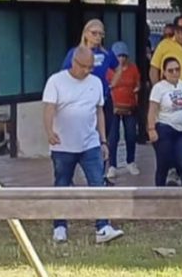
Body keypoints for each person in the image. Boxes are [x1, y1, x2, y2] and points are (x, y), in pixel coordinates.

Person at [43, 48, 124, 244]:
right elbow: (48, 109)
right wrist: (49, 132)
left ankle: (102, 226)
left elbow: (99, 112)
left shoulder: (95, 82)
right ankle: (60, 226)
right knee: (62, 185)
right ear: (74, 62)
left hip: (90, 143)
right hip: (63, 145)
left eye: (90, 67)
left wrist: (103, 140)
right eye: (83, 67)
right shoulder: (56, 81)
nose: (87, 71)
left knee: (98, 183)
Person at [147, 57, 182, 187]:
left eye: (177, 69)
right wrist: (151, 129)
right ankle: (160, 191)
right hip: (164, 129)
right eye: (170, 70)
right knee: (163, 164)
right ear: (164, 72)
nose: (174, 73)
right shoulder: (159, 88)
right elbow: (152, 110)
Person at [62, 19, 119, 139]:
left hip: (103, 98)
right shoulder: (75, 53)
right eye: (94, 33)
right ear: (86, 33)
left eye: (101, 34)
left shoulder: (106, 53)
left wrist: (112, 84)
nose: (98, 37)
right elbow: (65, 74)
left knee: (104, 133)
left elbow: (118, 68)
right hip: (82, 99)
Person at [105, 41, 141, 179]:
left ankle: (130, 162)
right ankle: (112, 165)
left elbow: (137, 83)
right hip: (113, 107)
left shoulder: (133, 68)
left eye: (123, 56)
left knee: (131, 134)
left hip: (129, 106)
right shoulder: (109, 70)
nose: (121, 59)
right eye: (118, 56)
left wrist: (136, 91)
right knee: (113, 137)